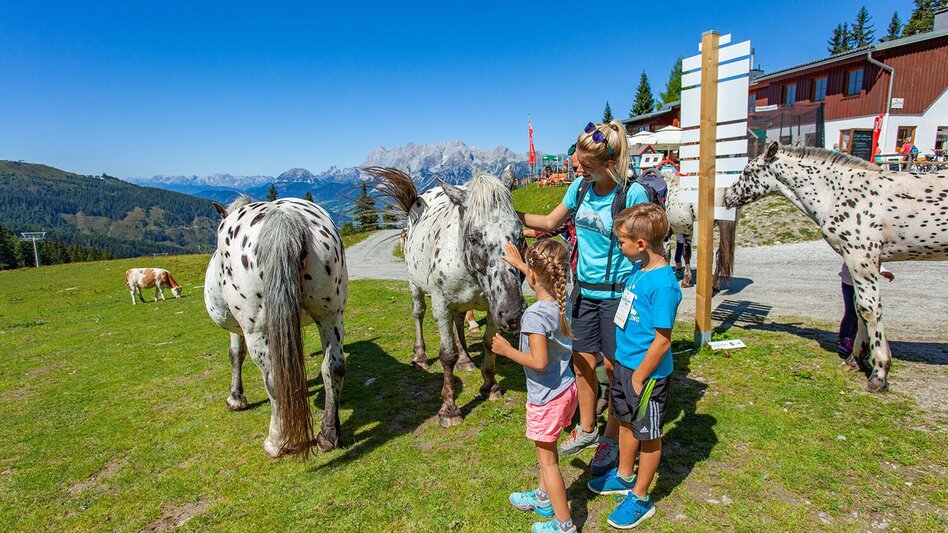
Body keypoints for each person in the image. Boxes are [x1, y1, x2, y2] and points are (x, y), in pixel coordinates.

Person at [518, 121, 651, 475]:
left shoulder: (632, 195)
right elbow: (548, 221)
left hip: (619, 294)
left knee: (615, 368)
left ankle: (609, 438)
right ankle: (587, 428)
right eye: (579, 164)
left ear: (609, 161)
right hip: (584, 291)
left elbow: (648, 248)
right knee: (582, 362)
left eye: (585, 165)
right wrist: (511, 215)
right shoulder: (580, 188)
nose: (579, 170)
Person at [587, 203, 682, 529]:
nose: (619, 245)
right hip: (626, 367)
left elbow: (662, 341)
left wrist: (640, 375)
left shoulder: (664, 285)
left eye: (623, 241)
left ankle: (641, 497)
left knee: (649, 435)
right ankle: (625, 475)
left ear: (641, 243)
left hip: (647, 375)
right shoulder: (637, 271)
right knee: (626, 423)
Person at [491, 239, 577, 533]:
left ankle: (564, 524)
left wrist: (506, 351)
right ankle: (542, 498)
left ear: (534, 276)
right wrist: (521, 265)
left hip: (546, 399)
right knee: (548, 450)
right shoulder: (563, 299)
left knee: (548, 461)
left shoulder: (535, 316)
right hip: (566, 389)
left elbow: (538, 361)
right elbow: (542, 276)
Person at [837, 263, 894, 355]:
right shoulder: (851, 254)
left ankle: (854, 338)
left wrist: (883, 271)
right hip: (850, 285)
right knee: (851, 313)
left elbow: (871, 261)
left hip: (863, 285)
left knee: (861, 314)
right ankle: (844, 339)